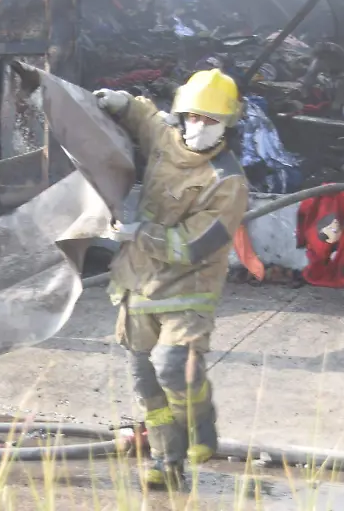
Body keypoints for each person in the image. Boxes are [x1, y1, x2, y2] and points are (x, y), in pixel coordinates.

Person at [93, 68, 249, 490]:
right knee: (145, 381)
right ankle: (165, 460)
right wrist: (120, 102)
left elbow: (192, 247)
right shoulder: (167, 136)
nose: (198, 126)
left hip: (188, 289)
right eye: (193, 117)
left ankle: (200, 427)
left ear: (227, 123)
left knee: (172, 367)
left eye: (210, 120)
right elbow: (146, 117)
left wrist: (136, 233)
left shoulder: (228, 183)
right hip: (138, 283)